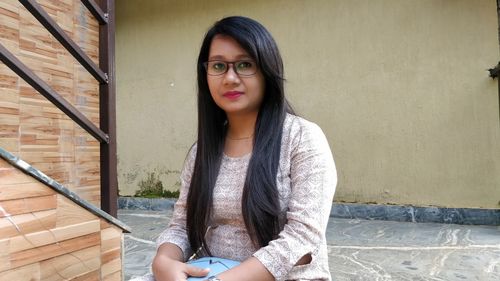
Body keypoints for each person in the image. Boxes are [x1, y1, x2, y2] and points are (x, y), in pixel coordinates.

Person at [142, 16, 337, 281]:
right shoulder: (202, 151)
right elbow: (181, 227)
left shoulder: (302, 138)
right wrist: (164, 261)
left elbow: (302, 239)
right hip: (213, 270)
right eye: (219, 66)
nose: (230, 78)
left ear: (267, 71)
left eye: (245, 65)